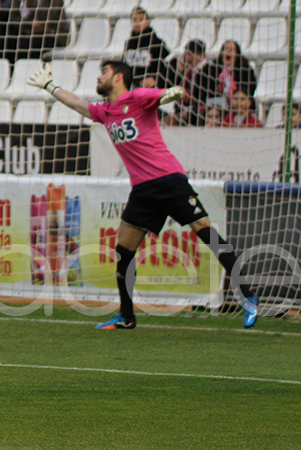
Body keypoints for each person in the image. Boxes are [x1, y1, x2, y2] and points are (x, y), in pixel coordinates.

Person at [28, 59, 260, 329]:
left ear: (118, 77)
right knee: (123, 250)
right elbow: (77, 104)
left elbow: (160, 95)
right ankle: (126, 316)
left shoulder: (137, 97)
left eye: (104, 72)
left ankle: (248, 296)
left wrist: (170, 93)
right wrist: (50, 86)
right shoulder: (106, 111)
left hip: (169, 181)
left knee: (207, 234)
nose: (99, 77)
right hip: (142, 190)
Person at [2, 0, 69, 62]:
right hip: (27, 32)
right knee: (4, 42)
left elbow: (44, 18)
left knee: (25, 46)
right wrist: (30, 23)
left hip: (50, 34)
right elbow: (13, 18)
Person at [122, 7, 171, 87]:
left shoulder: (156, 42)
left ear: (147, 22)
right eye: (134, 19)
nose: (137, 22)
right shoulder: (129, 43)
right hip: (131, 86)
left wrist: (156, 79)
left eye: (141, 19)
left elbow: (171, 63)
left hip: (149, 88)